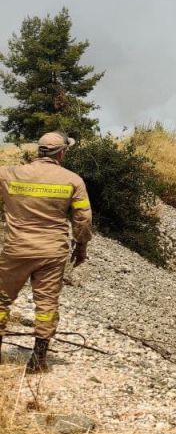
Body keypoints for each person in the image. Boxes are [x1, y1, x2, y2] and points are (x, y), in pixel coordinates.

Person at [0, 132, 92, 372]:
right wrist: (80, 247)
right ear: (61, 152)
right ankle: (38, 360)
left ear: (38, 150)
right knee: (46, 305)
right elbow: (83, 219)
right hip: (52, 252)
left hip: (16, 249)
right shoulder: (73, 180)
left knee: (1, 301)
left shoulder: (9, 174)